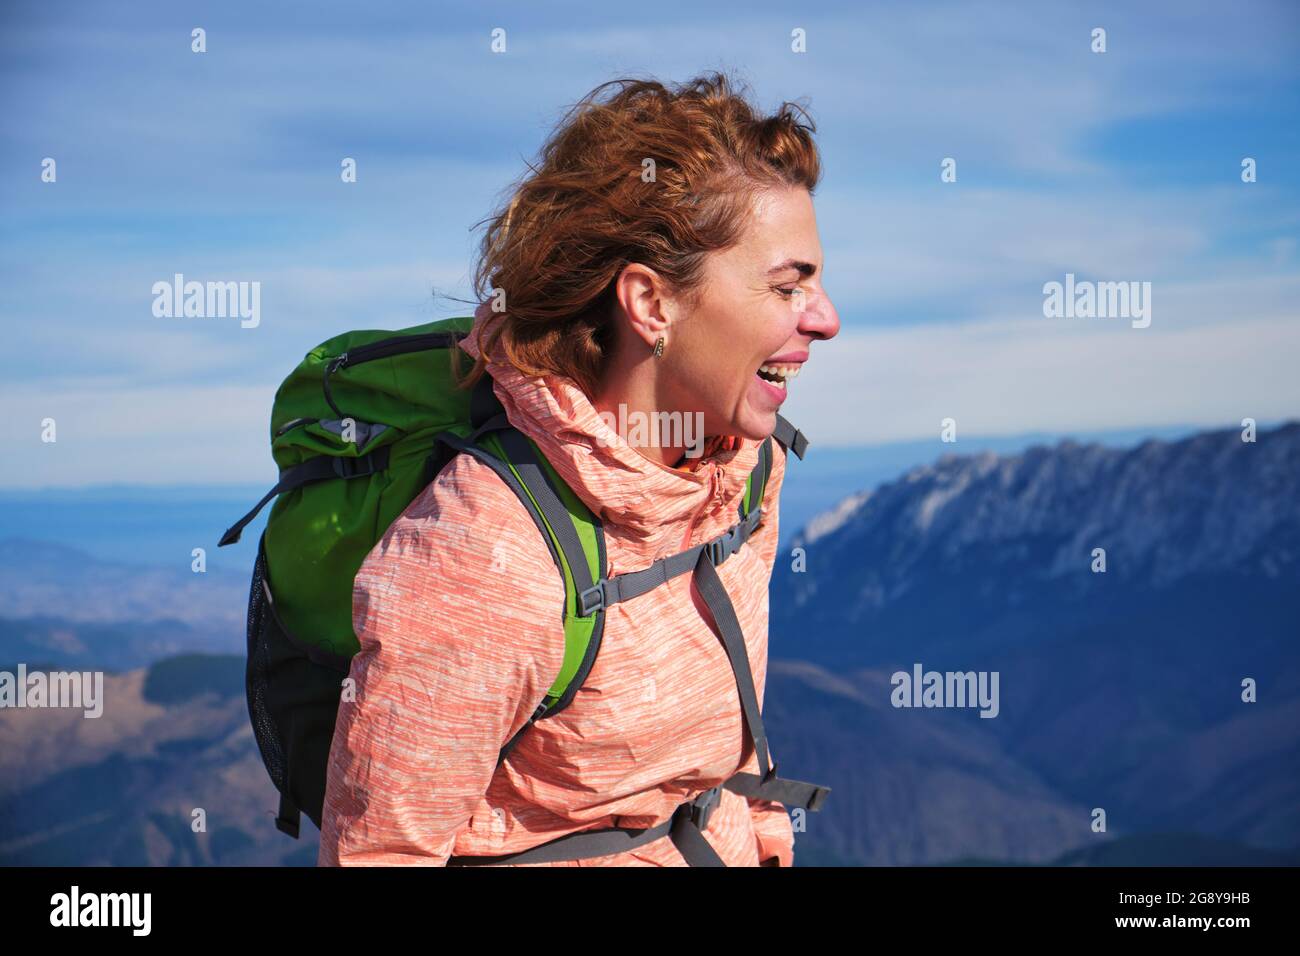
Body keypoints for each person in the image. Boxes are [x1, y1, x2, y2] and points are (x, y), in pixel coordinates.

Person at [317, 70, 840, 866]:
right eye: (786, 286)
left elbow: (729, 729)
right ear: (651, 305)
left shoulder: (744, 470)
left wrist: (765, 839)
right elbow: (381, 854)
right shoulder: (483, 555)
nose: (826, 318)